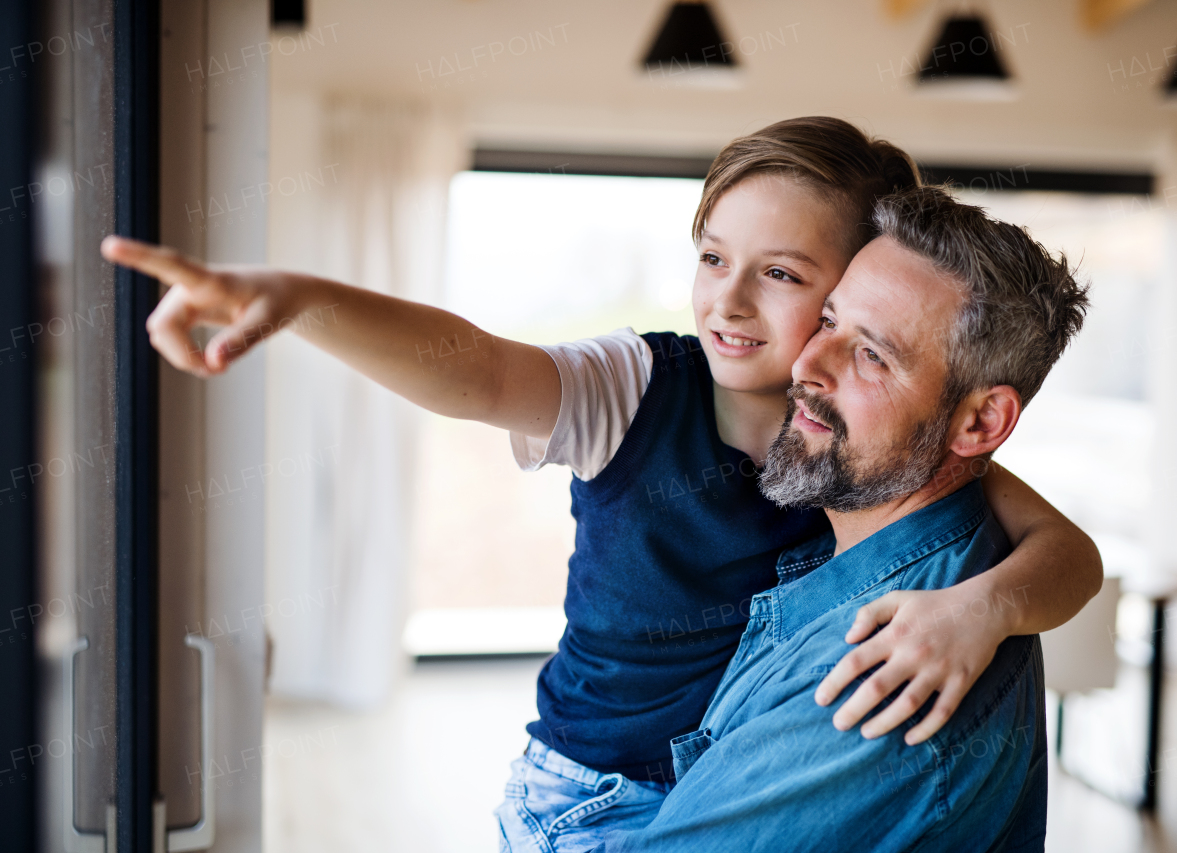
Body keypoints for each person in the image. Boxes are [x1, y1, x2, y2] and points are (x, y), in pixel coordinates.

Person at [99, 118, 1101, 853]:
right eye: (712, 258)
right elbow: (478, 369)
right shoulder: (640, 388)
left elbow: (1066, 553)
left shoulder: (877, 466)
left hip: (689, 791)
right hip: (580, 790)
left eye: (787, 279)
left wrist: (983, 609)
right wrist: (302, 300)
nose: (729, 298)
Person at [589, 185, 1088, 852]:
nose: (806, 365)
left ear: (979, 422)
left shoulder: (882, 674)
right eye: (828, 321)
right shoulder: (930, 550)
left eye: (872, 355)